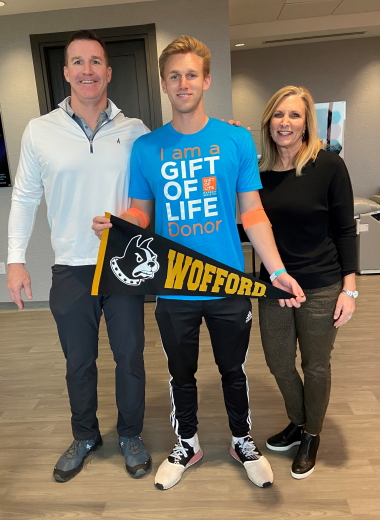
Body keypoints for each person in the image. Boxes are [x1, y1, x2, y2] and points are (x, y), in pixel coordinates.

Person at [93, 36, 305, 490]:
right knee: (180, 373)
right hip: (175, 286)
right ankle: (186, 442)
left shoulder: (235, 138)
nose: (183, 83)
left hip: (228, 283)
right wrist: (120, 225)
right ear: (164, 84)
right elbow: (141, 212)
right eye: (174, 75)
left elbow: (252, 212)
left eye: (192, 74)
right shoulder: (147, 148)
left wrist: (279, 270)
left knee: (234, 371)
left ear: (205, 80)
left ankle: (241, 440)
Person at [7, 30, 152, 483]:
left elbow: (150, 199)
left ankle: (130, 433)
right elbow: (25, 197)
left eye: (95, 62)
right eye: (77, 62)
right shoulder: (40, 130)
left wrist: (130, 219)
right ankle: (85, 434)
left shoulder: (136, 132)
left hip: (123, 263)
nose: (87, 70)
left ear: (108, 72)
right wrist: (15, 259)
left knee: (130, 357)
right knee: (79, 362)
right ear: (66, 72)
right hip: (70, 266)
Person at [257, 85, 357, 479]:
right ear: (269, 121)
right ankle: (298, 422)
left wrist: (349, 288)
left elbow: (345, 230)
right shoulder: (259, 171)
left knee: (315, 365)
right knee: (279, 362)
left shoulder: (328, 166)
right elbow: (253, 226)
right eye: (278, 114)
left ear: (306, 123)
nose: (285, 122)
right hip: (274, 287)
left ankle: (311, 435)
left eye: (294, 115)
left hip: (320, 285)